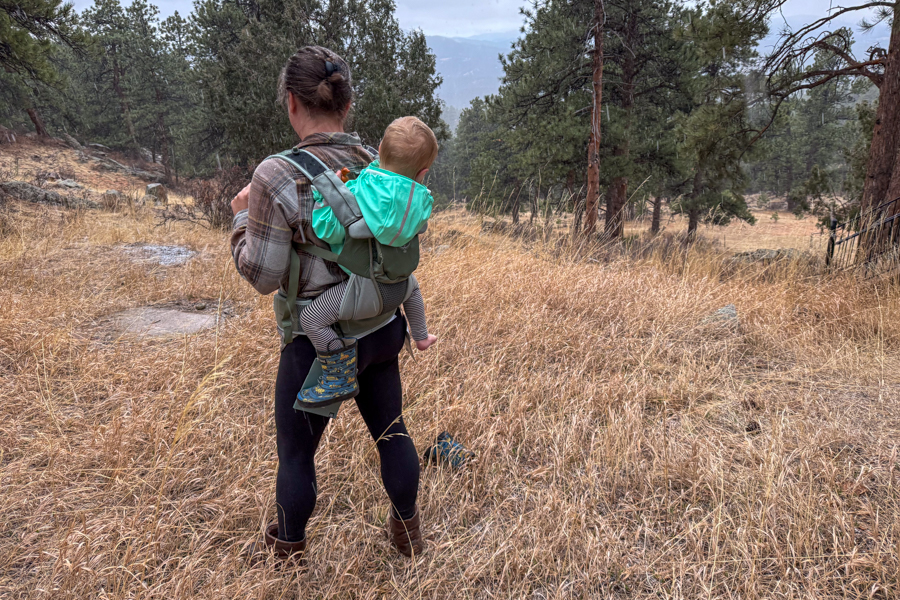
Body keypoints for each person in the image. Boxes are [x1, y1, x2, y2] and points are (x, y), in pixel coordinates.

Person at [230, 45, 424, 561]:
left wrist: (238, 220)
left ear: (292, 102)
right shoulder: (376, 162)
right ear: (346, 103)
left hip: (320, 342)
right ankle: (407, 531)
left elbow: (264, 276)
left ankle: (289, 549)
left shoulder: (273, 176)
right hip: (383, 326)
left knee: (296, 454)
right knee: (391, 431)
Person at [297, 116, 439, 407]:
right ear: (423, 172)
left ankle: (338, 376)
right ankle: (421, 335)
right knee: (414, 288)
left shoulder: (360, 193)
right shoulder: (422, 201)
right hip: (400, 287)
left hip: (366, 289)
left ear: (378, 148)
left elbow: (327, 230)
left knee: (311, 318)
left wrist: (325, 198)